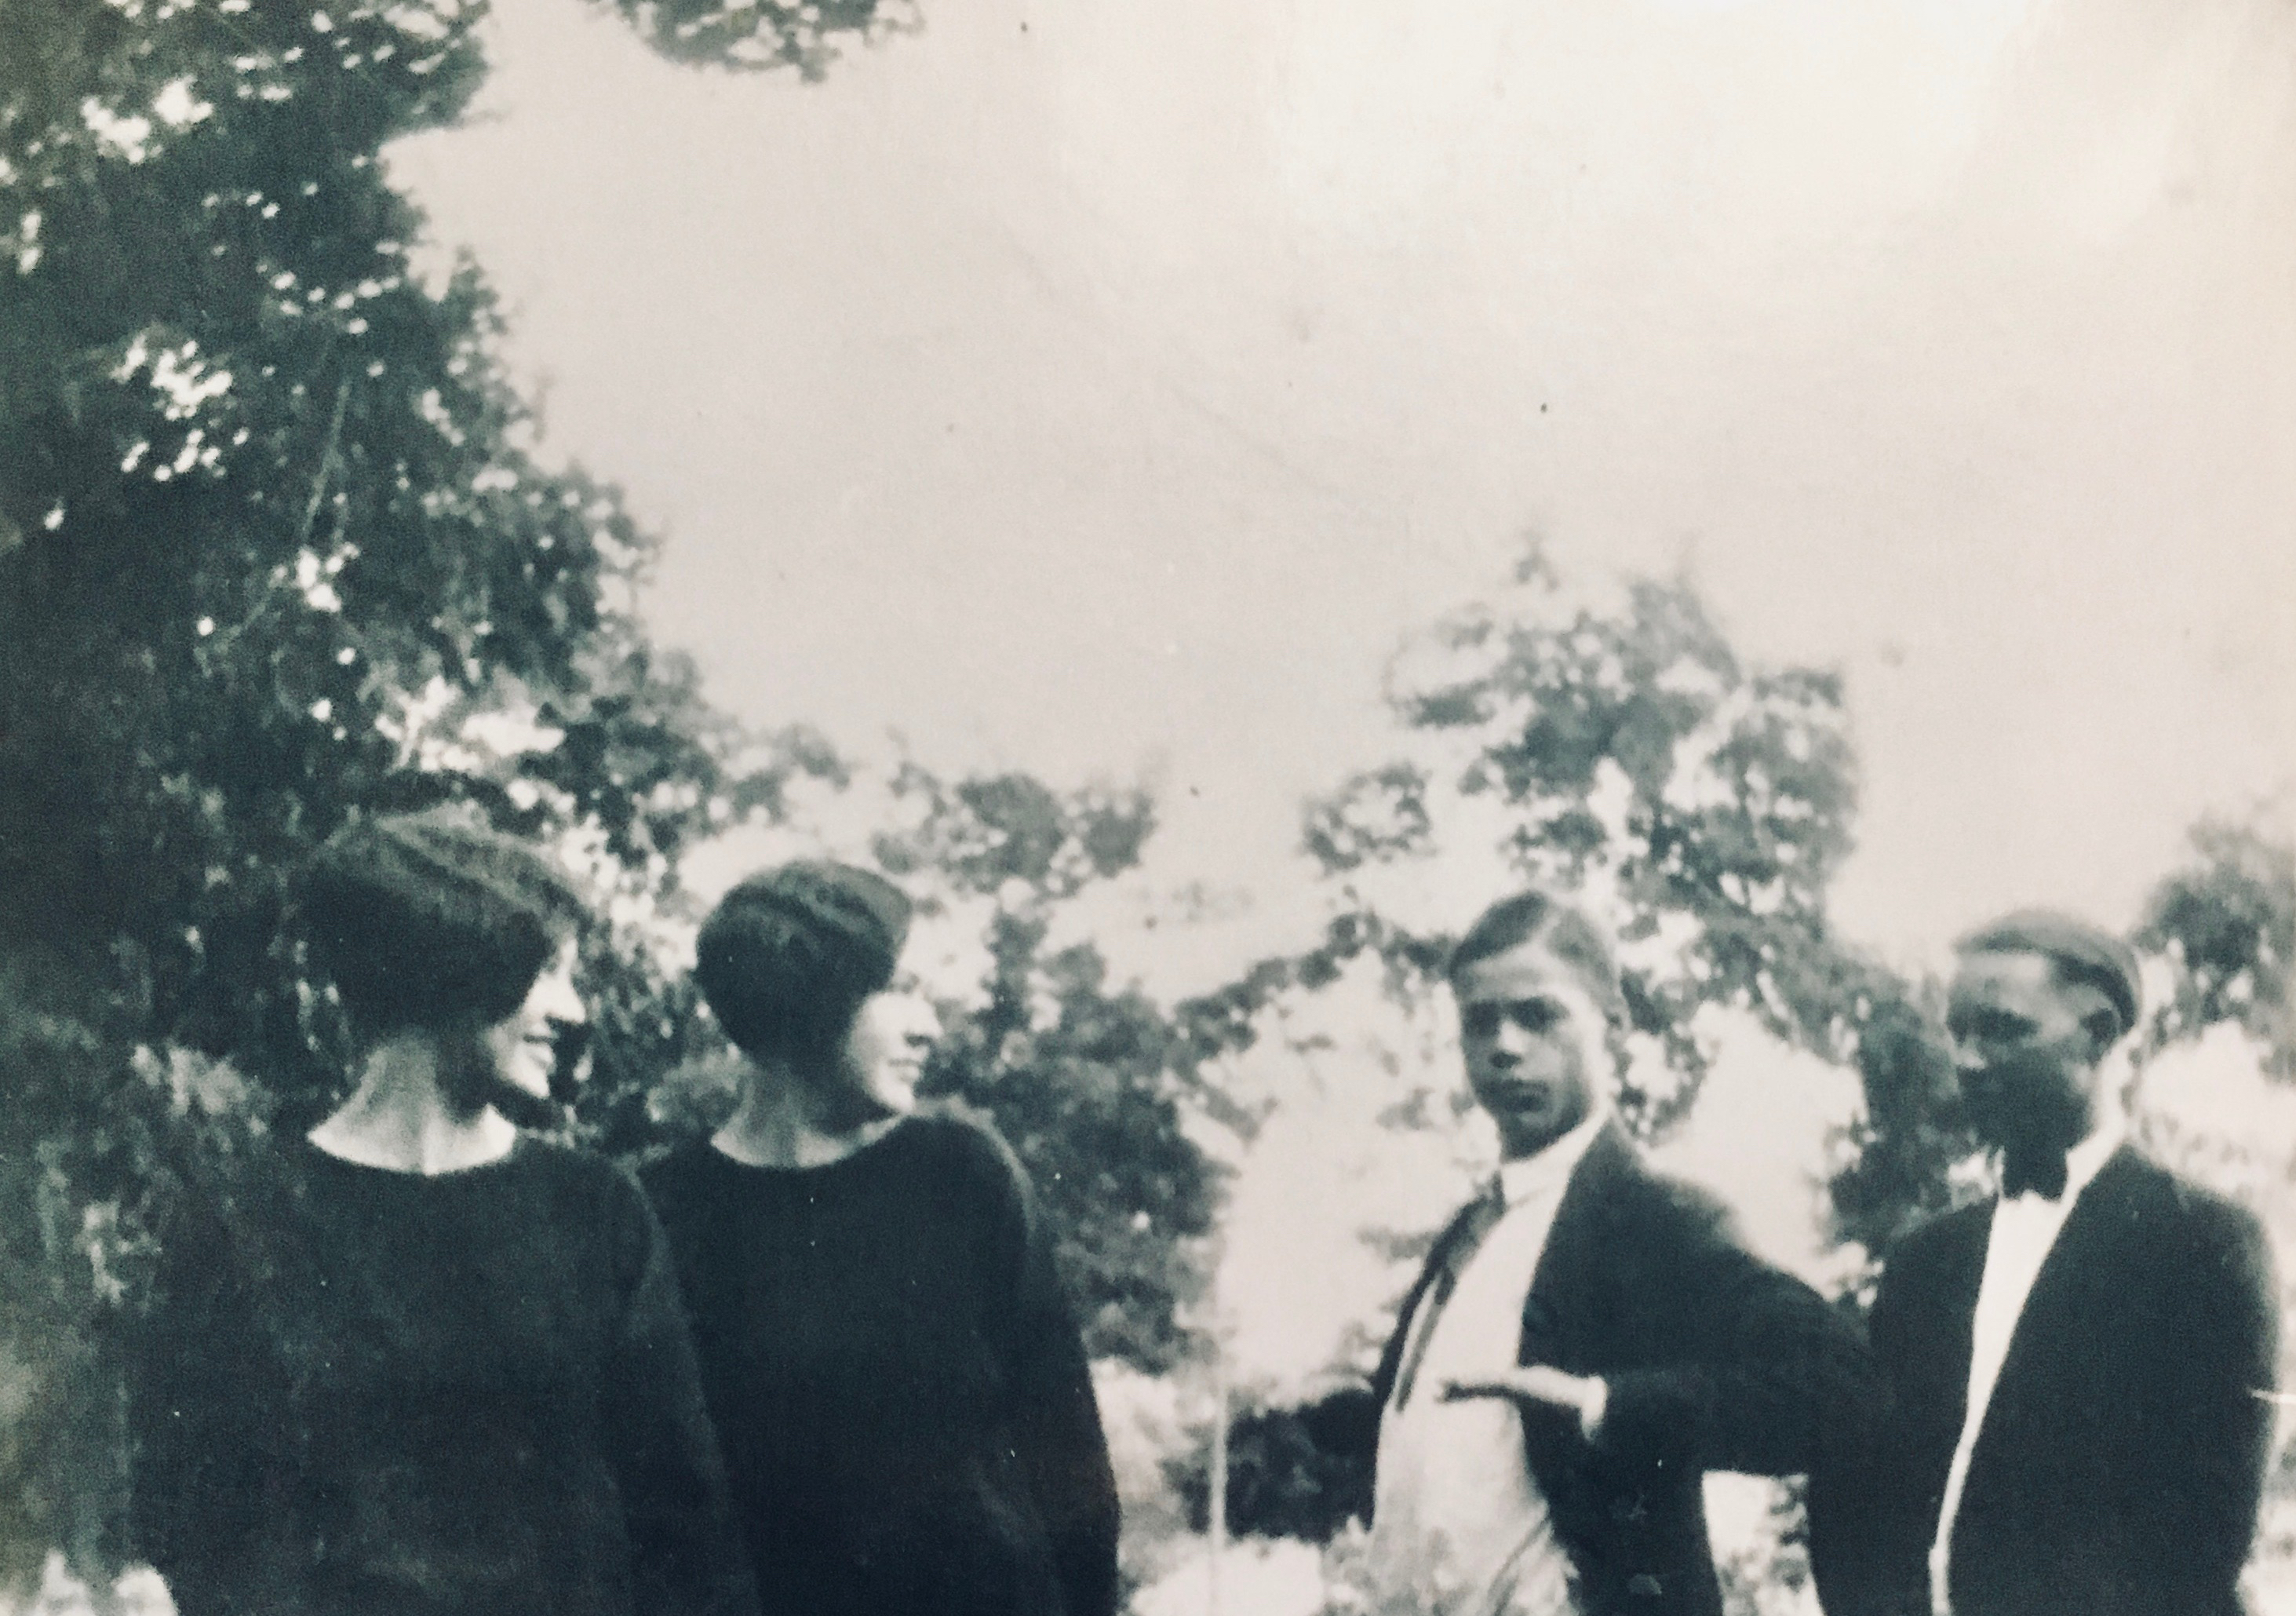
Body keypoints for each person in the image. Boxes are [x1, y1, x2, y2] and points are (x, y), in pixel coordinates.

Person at [127, 808, 758, 1616]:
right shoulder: (244, 1221)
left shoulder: (594, 1209)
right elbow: (199, 1529)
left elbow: (687, 1530)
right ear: (460, 968)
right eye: (550, 972)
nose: (574, 1013)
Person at [1321, 890, 1880, 1616]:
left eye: (1538, 1014)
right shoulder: (1468, 1230)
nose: (1506, 1046)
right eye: (1480, 1021)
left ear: (1611, 1021)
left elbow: (1842, 1388)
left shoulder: (1655, 1218)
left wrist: (1605, 1405)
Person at [640, 861, 1121, 1616]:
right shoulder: (662, 1212)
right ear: (805, 998)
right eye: (899, 992)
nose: (929, 1026)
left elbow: (1070, 1459)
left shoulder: (965, 1175)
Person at [1807, 910, 2280, 1616]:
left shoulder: (2205, 1246)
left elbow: (2199, 1543)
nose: (1966, 1058)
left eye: (2001, 1029)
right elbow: (1853, 1490)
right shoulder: (1926, 1259)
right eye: (1957, 1031)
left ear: (2097, 1034)